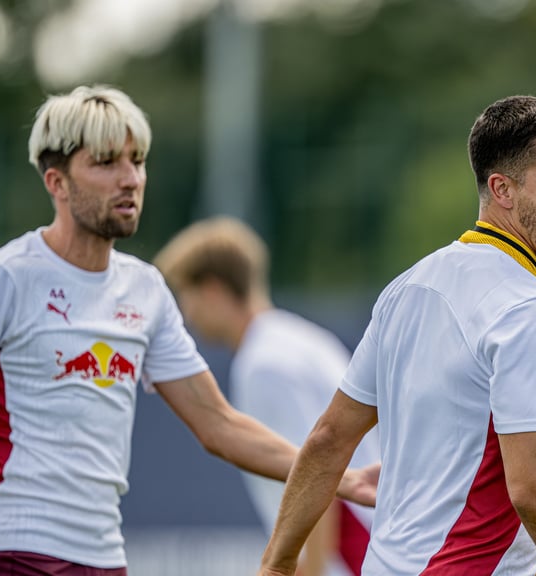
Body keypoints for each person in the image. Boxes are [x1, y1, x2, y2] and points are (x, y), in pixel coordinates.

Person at [0, 85, 376, 576]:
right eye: (105, 163)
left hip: (105, 559)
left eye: (137, 160)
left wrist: (342, 478)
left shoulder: (145, 289)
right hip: (15, 554)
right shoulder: (3, 280)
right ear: (56, 182)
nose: (130, 179)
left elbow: (220, 426)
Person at [259, 95, 536, 576]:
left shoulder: (407, 287)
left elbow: (329, 438)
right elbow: (535, 490)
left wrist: (277, 563)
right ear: (502, 189)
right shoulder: (529, 308)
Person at [153, 216, 378, 576]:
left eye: (186, 297)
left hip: (347, 558)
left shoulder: (264, 364)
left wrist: (312, 570)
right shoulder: (300, 338)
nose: (187, 315)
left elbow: (319, 467)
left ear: (211, 290)